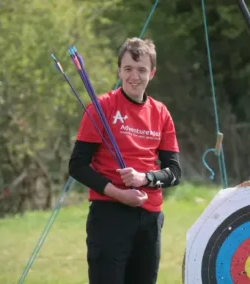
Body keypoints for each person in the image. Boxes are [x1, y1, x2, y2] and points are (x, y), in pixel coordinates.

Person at [68, 37, 181, 284]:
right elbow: (77, 166)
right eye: (128, 69)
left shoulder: (161, 112)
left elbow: (174, 171)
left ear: (152, 73)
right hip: (109, 215)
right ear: (119, 70)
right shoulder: (101, 107)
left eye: (141, 70)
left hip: (150, 218)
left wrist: (146, 178)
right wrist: (118, 193)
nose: (134, 76)